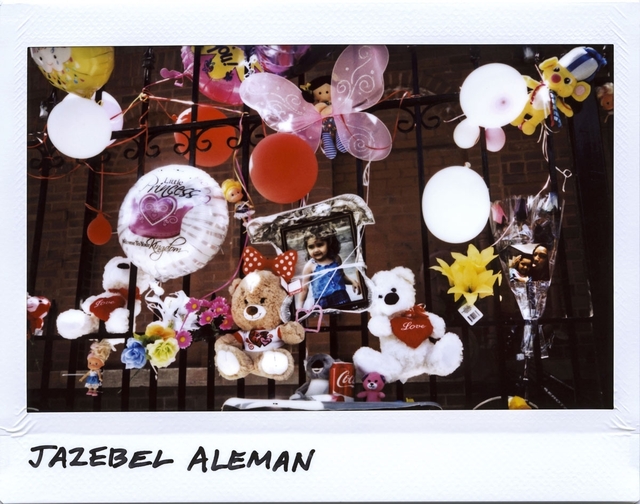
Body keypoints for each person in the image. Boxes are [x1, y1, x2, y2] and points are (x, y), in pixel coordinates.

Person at [297, 225, 360, 309]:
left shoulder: (336, 259)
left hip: (342, 298)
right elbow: (304, 288)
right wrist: (299, 307)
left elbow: (341, 276)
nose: (316, 250)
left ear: (329, 243)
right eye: (311, 247)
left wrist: (352, 281)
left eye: (320, 245)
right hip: (322, 303)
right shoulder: (309, 266)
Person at [301, 76, 347, 159]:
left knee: (341, 143)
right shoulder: (318, 106)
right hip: (324, 129)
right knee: (328, 144)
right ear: (314, 96)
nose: (324, 94)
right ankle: (330, 150)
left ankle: (341, 142)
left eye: (327, 92)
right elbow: (318, 111)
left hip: (338, 126)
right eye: (319, 93)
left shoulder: (336, 103)